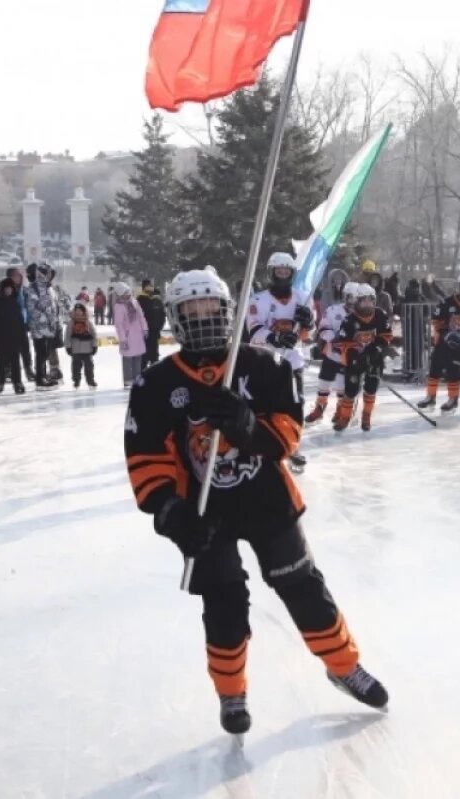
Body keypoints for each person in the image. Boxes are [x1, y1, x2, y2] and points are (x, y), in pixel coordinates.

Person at [123, 267, 388, 736]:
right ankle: (231, 692)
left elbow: (286, 436)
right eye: (192, 311)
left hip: (266, 500)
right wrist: (171, 511)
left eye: (212, 309)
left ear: (228, 312)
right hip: (205, 514)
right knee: (224, 606)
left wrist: (247, 427)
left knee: (303, 587)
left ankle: (343, 665)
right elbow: (146, 459)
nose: (204, 319)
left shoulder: (266, 365)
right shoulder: (156, 385)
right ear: (176, 318)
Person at [245, 252, 314, 469]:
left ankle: (294, 446)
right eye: (279, 270)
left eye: (287, 271)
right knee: (267, 405)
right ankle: (266, 445)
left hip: (293, 360)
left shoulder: (303, 297)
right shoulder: (258, 300)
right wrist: (275, 337)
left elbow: (308, 334)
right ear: (272, 272)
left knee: (295, 404)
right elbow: (253, 330)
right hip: (267, 360)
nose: (283, 274)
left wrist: (307, 322)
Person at [417, 271, 460, 413]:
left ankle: (453, 399)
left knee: (453, 370)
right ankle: (430, 396)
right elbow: (437, 321)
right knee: (435, 366)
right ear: (458, 286)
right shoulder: (447, 302)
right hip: (445, 342)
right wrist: (446, 334)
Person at [330, 285, 394, 432]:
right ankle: (345, 418)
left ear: (374, 301)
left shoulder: (380, 315)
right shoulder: (350, 319)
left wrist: (376, 348)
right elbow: (342, 342)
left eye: (369, 301)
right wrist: (356, 355)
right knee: (351, 390)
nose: (366, 304)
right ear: (357, 302)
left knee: (371, 388)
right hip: (355, 360)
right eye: (363, 301)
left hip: (375, 358)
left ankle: (366, 416)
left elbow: (387, 335)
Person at [304, 282, 358, 424]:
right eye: (349, 297)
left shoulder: (361, 314)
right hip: (331, 353)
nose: (351, 301)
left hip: (348, 357)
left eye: (355, 298)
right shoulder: (333, 310)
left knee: (341, 385)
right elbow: (323, 328)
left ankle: (341, 409)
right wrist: (333, 340)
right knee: (324, 382)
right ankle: (320, 408)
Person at [0, 278, 26, 394]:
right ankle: (0, 381)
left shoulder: (15, 303)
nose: (9, 291)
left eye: (10, 289)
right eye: (7, 289)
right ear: (3, 290)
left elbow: (20, 322)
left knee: (15, 362)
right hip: (1, 339)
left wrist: (22, 338)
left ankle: (17, 383)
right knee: (0, 362)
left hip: (14, 338)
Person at [25, 263, 60, 389]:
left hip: (49, 327)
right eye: (47, 273)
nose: (49, 275)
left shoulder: (48, 287)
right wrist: (43, 319)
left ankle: (44, 376)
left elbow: (52, 306)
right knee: (41, 353)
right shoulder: (34, 288)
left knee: (45, 353)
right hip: (39, 327)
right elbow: (31, 308)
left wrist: (53, 321)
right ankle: (40, 379)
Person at [112, 282, 148, 388]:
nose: (128, 295)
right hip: (127, 336)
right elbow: (119, 324)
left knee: (137, 358)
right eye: (125, 293)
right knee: (127, 358)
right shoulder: (119, 306)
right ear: (120, 295)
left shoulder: (135, 302)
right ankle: (128, 380)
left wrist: (145, 329)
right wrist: (123, 339)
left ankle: (137, 378)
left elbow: (141, 316)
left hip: (137, 334)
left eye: (128, 292)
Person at [5, 266, 36, 382]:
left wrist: (29, 320)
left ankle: (29, 370)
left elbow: (27, 306)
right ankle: (9, 372)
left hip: (22, 324)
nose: (19, 277)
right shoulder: (5, 291)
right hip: (9, 325)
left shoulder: (23, 290)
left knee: (25, 349)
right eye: (16, 275)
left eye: (20, 275)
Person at [64, 302, 98, 388]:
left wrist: (94, 345)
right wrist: (68, 347)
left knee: (89, 367)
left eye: (80, 310)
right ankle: (76, 380)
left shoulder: (88, 322)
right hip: (76, 349)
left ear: (84, 311)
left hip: (87, 349)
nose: (78, 312)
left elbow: (94, 334)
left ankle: (90, 380)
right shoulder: (71, 323)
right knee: (76, 367)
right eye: (77, 310)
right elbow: (67, 335)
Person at [137, 279, 167, 368]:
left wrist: (160, 326)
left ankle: (155, 374)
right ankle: (143, 374)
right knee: (144, 356)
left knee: (155, 356)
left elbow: (162, 314)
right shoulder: (140, 300)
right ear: (143, 287)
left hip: (155, 331)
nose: (149, 287)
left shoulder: (157, 300)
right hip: (143, 332)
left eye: (150, 285)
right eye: (147, 286)